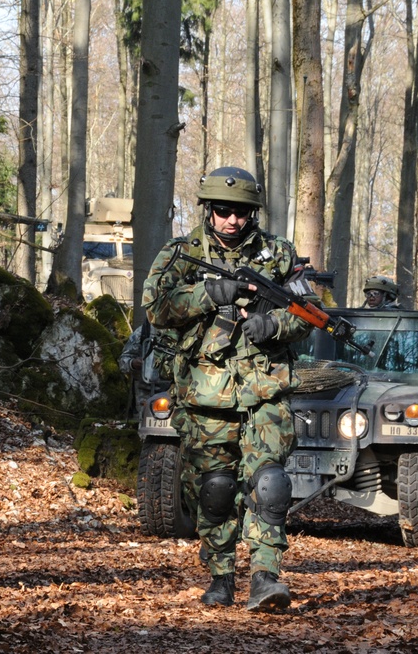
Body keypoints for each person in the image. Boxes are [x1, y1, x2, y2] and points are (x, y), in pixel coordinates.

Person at [142, 166, 313, 612]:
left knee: (270, 483)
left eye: (241, 212)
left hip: (266, 391)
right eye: (223, 211)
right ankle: (221, 577)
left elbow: (309, 313)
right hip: (204, 394)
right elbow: (154, 309)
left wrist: (272, 323)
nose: (233, 220)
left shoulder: (278, 254)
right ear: (208, 210)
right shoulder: (181, 254)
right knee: (215, 489)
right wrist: (208, 295)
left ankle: (265, 576)